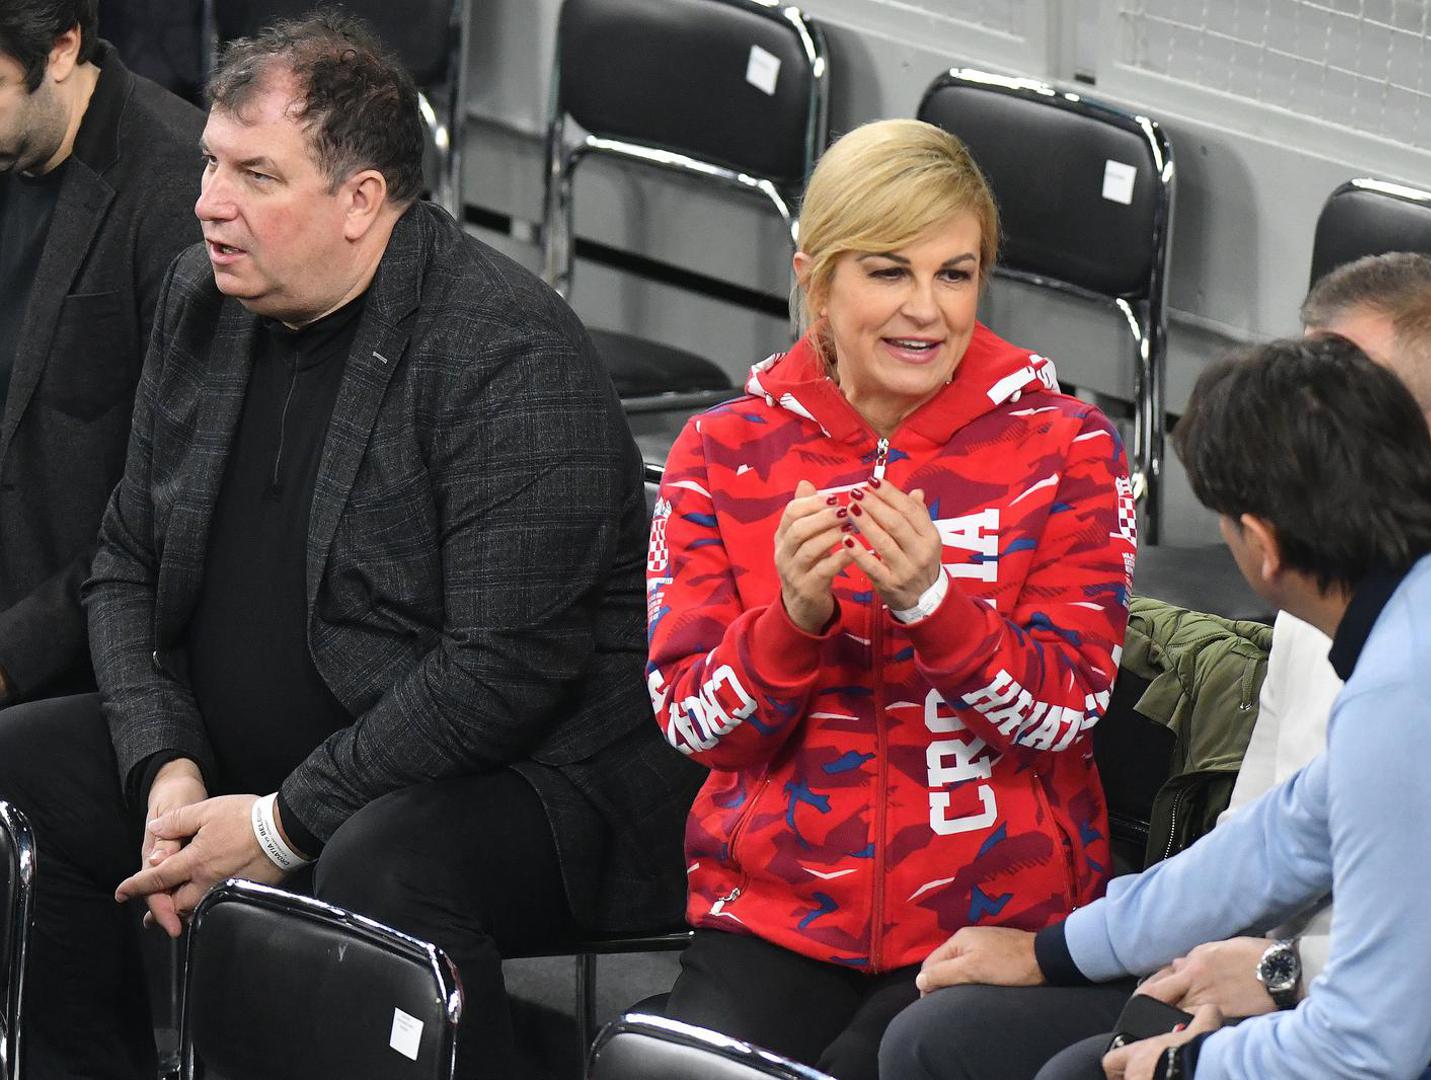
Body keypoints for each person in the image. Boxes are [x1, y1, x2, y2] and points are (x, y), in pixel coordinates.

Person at [0, 12, 696, 1079]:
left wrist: (282, 823)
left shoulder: (504, 353)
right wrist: (165, 763)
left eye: (255, 175)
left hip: (526, 786)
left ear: (362, 201)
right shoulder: (203, 298)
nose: (208, 204)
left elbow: (500, 674)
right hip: (253, 749)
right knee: (27, 768)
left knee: (383, 861)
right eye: (210, 166)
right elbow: (127, 557)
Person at [883, 252, 1431, 1080]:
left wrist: (1181, 1069)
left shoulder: (1417, 688)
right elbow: (1278, 841)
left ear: (1260, 550)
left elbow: (1366, 1046)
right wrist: (1054, 950)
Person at [643, 118, 1137, 1080]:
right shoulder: (719, 452)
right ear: (816, 280)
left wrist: (935, 606)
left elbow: (1067, 712)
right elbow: (694, 724)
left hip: (992, 920)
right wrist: (790, 622)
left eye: (955, 274)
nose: (927, 311)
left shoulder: (1069, 449)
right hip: (777, 913)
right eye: (888, 271)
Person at [0, 0, 200, 704]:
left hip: (74, 654)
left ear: (59, 50)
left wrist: (11, 655)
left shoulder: (179, 191)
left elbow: (166, 511)